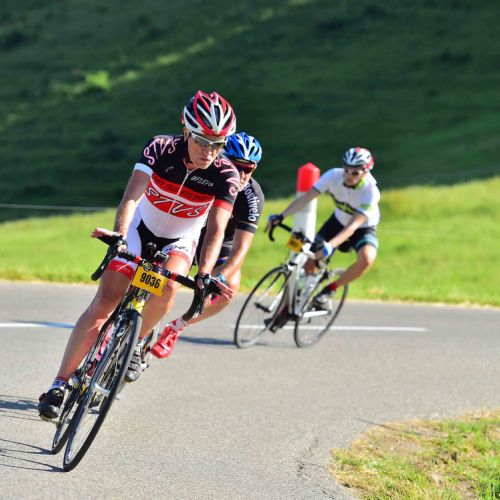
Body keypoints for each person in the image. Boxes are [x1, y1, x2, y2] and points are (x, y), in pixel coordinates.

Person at [38, 90, 240, 420]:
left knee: (170, 285)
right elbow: (131, 196)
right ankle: (59, 384)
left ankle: (137, 343)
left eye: (218, 144)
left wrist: (205, 273)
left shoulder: (226, 175)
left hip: (180, 240)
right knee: (106, 300)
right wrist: (120, 236)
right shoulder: (160, 147)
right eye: (202, 141)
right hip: (139, 228)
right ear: (186, 130)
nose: (209, 151)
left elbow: (216, 230)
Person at [151, 132, 265, 358]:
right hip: (187, 229)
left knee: (228, 289)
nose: (242, 175)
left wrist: (219, 278)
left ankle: (178, 326)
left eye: (249, 169)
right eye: (237, 166)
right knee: (161, 275)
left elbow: (241, 250)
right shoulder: (205, 172)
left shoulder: (252, 196)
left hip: (220, 240)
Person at [267, 147, 380, 301]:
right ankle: (297, 300)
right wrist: (281, 215)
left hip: (362, 228)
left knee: (367, 258)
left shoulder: (370, 191)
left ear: (366, 172)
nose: (348, 175)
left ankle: (331, 288)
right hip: (337, 221)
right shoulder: (333, 175)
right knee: (310, 261)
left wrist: (330, 246)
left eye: (354, 172)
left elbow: (352, 226)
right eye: (346, 169)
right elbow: (306, 198)